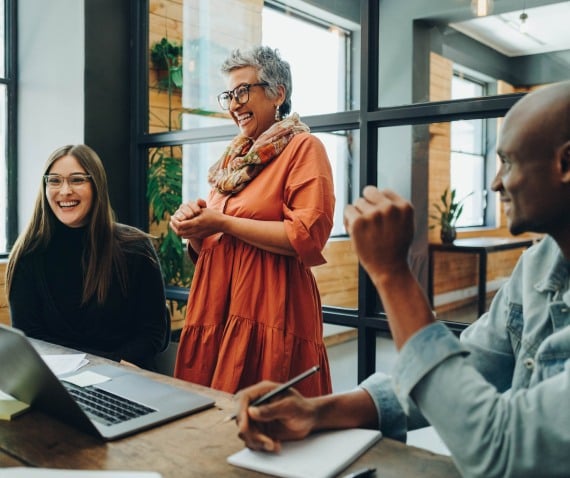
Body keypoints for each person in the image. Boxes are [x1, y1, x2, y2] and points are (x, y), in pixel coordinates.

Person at [232, 81, 570, 478]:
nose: (496, 183)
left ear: (565, 164)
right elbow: (467, 368)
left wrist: (392, 274)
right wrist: (317, 410)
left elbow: (500, 449)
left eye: (508, 162)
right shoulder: (539, 264)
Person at [169, 46, 334, 396]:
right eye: (229, 95)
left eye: (243, 91)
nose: (234, 104)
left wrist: (222, 222)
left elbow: (306, 236)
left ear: (278, 94)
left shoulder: (304, 148)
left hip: (270, 309)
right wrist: (195, 229)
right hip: (216, 307)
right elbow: (211, 247)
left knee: (269, 421)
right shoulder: (232, 162)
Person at [6, 144, 169, 370]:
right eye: (54, 180)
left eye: (77, 180)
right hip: (59, 382)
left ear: (96, 186)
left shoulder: (135, 247)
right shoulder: (28, 253)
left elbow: (153, 334)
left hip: (128, 376)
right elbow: (31, 337)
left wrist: (110, 366)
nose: (64, 191)